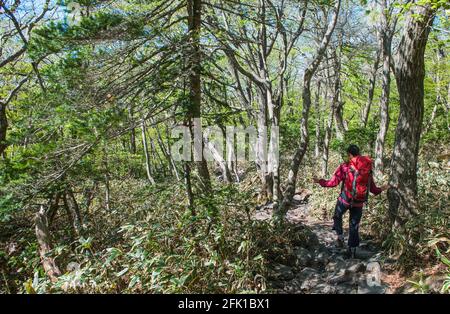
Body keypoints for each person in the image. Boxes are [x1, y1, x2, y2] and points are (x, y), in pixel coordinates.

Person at [313, 144, 389, 258]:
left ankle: (340, 237)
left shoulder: (345, 167)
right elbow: (373, 189)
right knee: (354, 225)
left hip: (345, 200)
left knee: (337, 216)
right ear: (358, 153)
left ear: (349, 154)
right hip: (359, 202)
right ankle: (352, 251)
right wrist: (383, 188)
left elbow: (332, 183)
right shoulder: (367, 169)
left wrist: (320, 181)